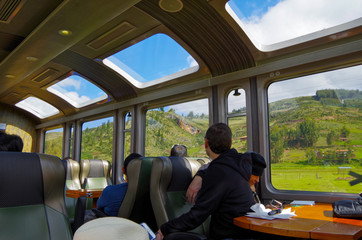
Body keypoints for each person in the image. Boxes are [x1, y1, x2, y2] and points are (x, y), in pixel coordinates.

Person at [155, 123, 261, 240]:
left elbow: (197, 216)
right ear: (230, 143)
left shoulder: (217, 172)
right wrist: (201, 174)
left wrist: (165, 228)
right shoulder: (238, 164)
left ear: (206, 143)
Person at [186, 151, 266, 204]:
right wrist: (199, 177)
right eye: (256, 175)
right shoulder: (230, 181)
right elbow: (213, 165)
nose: (258, 180)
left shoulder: (252, 184)